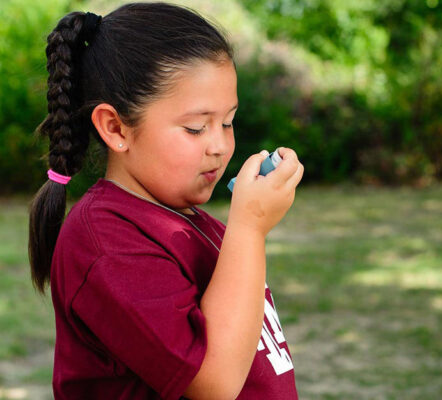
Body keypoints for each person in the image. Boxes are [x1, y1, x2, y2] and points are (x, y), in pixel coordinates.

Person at [27, 2, 304, 399]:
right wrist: (250, 226)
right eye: (195, 128)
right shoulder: (104, 242)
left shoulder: (192, 222)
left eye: (228, 122)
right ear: (116, 127)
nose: (221, 146)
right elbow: (215, 383)